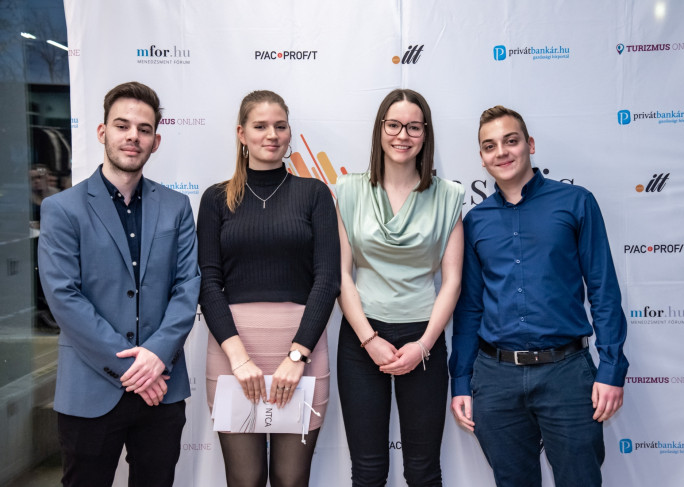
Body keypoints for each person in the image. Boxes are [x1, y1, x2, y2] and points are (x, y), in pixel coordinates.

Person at [449, 105, 629, 487]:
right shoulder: (475, 222)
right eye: (490, 146)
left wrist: (612, 368)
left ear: (529, 144)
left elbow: (603, 290)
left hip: (567, 375)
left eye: (511, 141)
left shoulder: (577, 202)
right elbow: (469, 310)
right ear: (481, 157)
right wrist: (461, 380)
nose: (501, 152)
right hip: (496, 379)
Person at [38, 81, 200, 486]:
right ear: (102, 132)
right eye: (122, 125)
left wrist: (157, 355)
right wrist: (134, 369)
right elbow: (63, 296)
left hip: (162, 386)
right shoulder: (62, 208)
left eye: (144, 129)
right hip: (91, 387)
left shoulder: (177, 207)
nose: (133, 136)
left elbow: (187, 286)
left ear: (155, 141)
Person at [197, 90, 340, 487]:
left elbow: (328, 279)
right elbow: (207, 282)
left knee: (291, 480)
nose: (272, 135)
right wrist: (238, 358)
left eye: (280, 126)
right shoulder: (215, 199)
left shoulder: (314, 194)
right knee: (245, 480)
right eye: (260, 126)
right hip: (232, 353)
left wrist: (297, 355)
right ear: (241, 134)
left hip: (301, 352)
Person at [336, 89, 464, 486]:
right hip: (361, 338)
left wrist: (424, 345)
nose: (402, 135)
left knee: (423, 471)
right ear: (380, 129)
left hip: (424, 337)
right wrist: (369, 339)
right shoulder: (348, 190)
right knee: (368, 470)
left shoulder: (448, 196)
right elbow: (342, 275)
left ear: (426, 133)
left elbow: (452, 280)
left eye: (413, 127)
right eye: (393, 125)